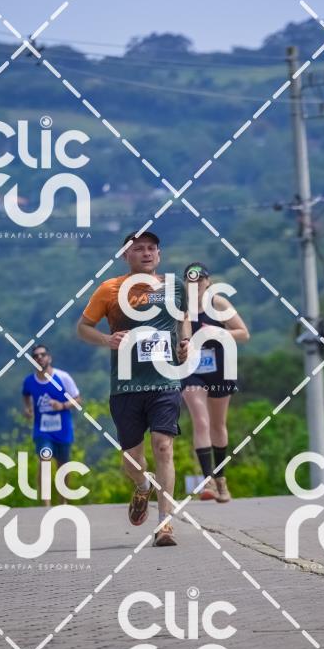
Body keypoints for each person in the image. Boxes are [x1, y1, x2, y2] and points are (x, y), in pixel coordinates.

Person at [77, 230, 190, 547]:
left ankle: (165, 524)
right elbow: (83, 328)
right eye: (138, 248)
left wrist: (185, 341)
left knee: (163, 447)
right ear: (125, 255)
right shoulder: (110, 289)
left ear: (159, 254)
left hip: (165, 381)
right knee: (131, 459)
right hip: (126, 385)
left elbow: (184, 319)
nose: (146, 253)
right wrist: (106, 339)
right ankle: (142, 485)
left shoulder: (173, 286)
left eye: (152, 248)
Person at [181, 262, 250, 503]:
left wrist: (218, 333)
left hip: (220, 368)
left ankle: (221, 479)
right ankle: (207, 479)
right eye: (190, 280)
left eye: (200, 280)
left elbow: (243, 333)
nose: (196, 284)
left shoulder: (219, 304)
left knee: (218, 425)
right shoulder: (181, 309)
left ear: (208, 282)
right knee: (201, 421)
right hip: (192, 370)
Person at [22, 345, 82, 505]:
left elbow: (78, 399)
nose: (39, 358)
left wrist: (62, 405)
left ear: (49, 358)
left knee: (63, 466)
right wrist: (28, 409)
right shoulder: (29, 381)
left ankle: (63, 501)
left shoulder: (63, 377)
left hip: (63, 430)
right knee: (45, 460)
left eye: (42, 355)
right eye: (36, 356)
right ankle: (46, 504)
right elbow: (26, 395)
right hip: (42, 430)